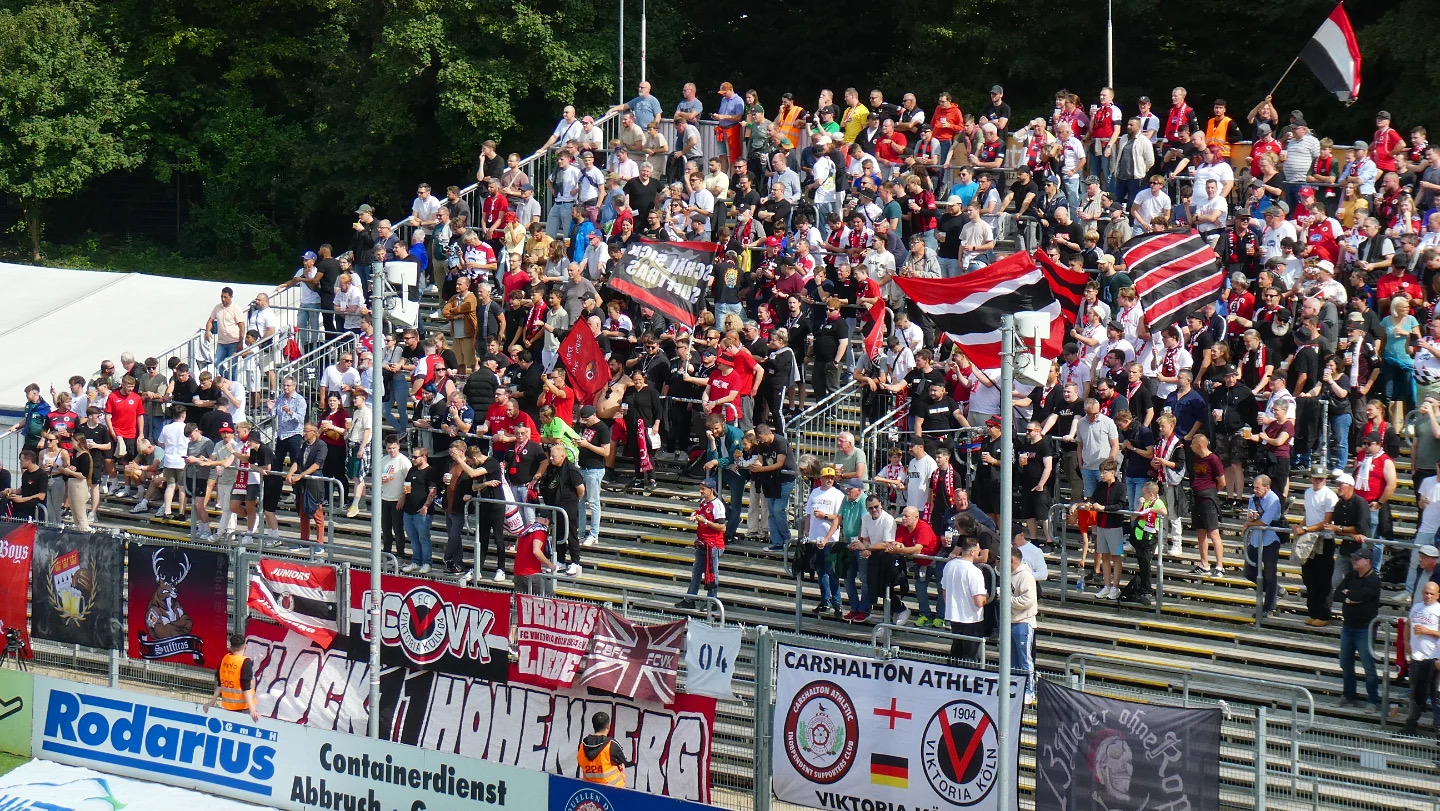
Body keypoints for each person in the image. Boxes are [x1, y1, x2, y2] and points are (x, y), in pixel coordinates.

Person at [1333, 549, 1383, 712]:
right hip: (1348, 626)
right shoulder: (1351, 576)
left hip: (1365, 629)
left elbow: (1362, 596)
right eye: (1353, 558)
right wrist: (1351, 597)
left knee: (1368, 666)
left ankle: (1373, 700)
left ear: (1367, 561)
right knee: (1345, 663)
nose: (1353, 561)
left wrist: (1349, 595)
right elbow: (1337, 594)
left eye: (1357, 559)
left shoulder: (1374, 580)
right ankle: (1349, 695)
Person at [1296, 468, 1340, 627]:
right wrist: (1301, 526)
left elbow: (1326, 522)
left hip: (1324, 540)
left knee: (1324, 578)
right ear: (1311, 478)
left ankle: (1323, 614)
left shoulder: (1330, 496)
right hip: (1310, 539)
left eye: (1321, 478)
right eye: (1316, 478)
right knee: (1309, 577)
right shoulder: (1308, 493)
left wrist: (1306, 529)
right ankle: (1313, 612)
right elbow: (1309, 514)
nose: (1319, 480)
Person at [679, 477, 727, 608]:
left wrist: (705, 522)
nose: (701, 491)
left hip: (713, 544)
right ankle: (690, 600)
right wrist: (695, 515)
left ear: (711, 490)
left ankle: (712, 602)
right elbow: (701, 513)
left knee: (712, 573)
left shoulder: (717, 505)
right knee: (696, 572)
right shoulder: (703, 502)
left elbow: (722, 527)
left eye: (703, 488)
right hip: (702, 543)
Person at [1242, 474, 1284, 617]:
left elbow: (1265, 522)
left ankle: (1269, 607)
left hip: (1270, 540)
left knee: (1270, 574)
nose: (1255, 490)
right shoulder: (1253, 498)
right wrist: (1251, 518)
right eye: (1254, 487)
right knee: (1249, 572)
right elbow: (1251, 515)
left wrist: (1249, 523)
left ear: (1267, 487)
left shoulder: (1274, 499)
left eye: (1258, 488)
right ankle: (1276, 590)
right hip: (1256, 539)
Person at [941, 536, 987, 663]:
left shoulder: (949, 566)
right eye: (978, 550)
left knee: (956, 653)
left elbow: (944, 592)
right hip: (971, 619)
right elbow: (979, 602)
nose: (979, 552)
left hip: (954, 616)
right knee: (969, 658)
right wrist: (986, 597)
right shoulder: (974, 571)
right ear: (972, 551)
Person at [1404, 581, 1440, 734]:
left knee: (1436, 697)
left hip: (1434, 659)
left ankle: (1438, 729)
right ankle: (1410, 726)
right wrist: (1406, 642)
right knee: (1415, 694)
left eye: (1432, 593)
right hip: (1417, 658)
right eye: (1426, 592)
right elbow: (1408, 625)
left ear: (1438, 595)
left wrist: (1427, 631)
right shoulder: (1417, 607)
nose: (1428, 596)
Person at [203, 634, 259, 722]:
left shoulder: (225, 659)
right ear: (245, 646)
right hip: (244, 708)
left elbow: (220, 684)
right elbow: (246, 688)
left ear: (231, 647)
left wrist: (211, 702)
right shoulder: (245, 662)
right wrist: (252, 710)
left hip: (228, 707)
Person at [401, 446, 438, 574]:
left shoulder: (430, 472)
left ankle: (427, 562)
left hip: (421, 511)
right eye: (412, 457)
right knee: (413, 537)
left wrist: (426, 506)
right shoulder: (412, 470)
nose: (413, 459)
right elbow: (407, 487)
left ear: (424, 457)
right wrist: (403, 500)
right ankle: (416, 561)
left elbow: (433, 491)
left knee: (423, 537)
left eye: (416, 457)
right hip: (408, 510)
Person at [578, 711, 631, 788]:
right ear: (608, 727)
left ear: (594, 726)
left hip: (591, 790)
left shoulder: (583, 745)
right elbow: (623, 762)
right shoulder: (612, 745)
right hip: (613, 792)